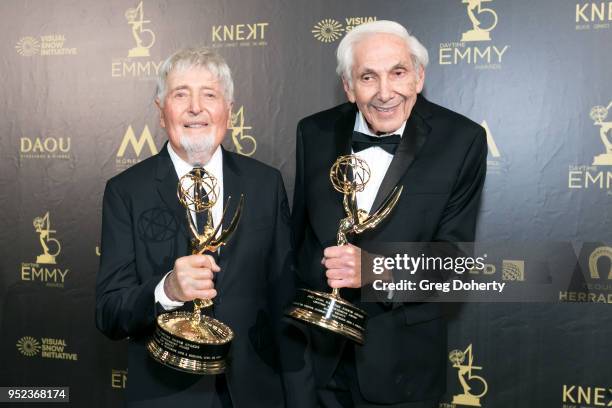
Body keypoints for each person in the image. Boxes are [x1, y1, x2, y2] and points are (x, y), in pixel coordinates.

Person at [292, 21, 487, 407]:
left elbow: (455, 261)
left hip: (402, 368)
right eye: (368, 77)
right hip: (317, 362)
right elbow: (298, 241)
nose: (385, 92)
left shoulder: (461, 140)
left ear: (418, 76)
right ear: (349, 87)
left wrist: (376, 272)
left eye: (398, 73)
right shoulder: (313, 132)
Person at [96, 47, 302, 408]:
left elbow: (284, 300)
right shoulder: (125, 191)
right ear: (161, 112)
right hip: (166, 395)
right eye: (180, 94)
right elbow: (110, 313)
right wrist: (168, 290)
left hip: (255, 393)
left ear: (229, 111)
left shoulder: (265, 184)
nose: (195, 107)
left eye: (209, 94)